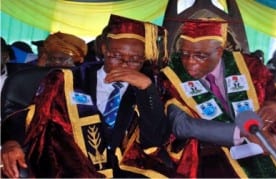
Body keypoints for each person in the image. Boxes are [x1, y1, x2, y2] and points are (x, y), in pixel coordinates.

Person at [1, 14, 169, 178]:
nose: (125, 64)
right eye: (117, 56)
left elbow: (154, 140)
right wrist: (10, 142)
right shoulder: (68, 79)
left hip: (122, 170)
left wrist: (146, 89)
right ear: (104, 49)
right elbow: (31, 116)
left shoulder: (149, 87)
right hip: (69, 164)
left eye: (135, 60)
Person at [160, 18, 276, 178]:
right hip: (216, 161)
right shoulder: (171, 76)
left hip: (275, 153)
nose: (190, 61)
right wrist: (240, 132)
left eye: (200, 55)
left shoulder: (251, 67)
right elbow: (181, 125)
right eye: (185, 53)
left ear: (219, 52)